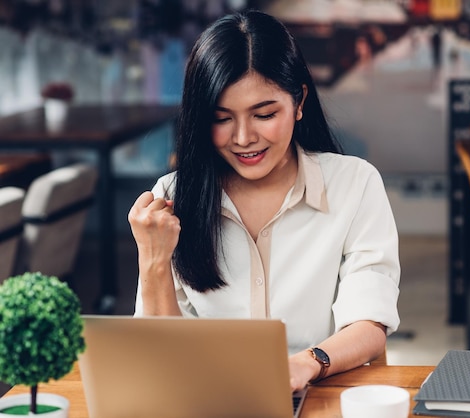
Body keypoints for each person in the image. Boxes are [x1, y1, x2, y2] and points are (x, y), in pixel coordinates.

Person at [128, 10, 400, 392]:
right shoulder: (170, 201)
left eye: (264, 114)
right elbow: (158, 358)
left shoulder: (354, 184)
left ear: (299, 102)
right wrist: (154, 260)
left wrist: (305, 365)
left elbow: (369, 323)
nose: (243, 137)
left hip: (317, 396)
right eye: (222, 119)